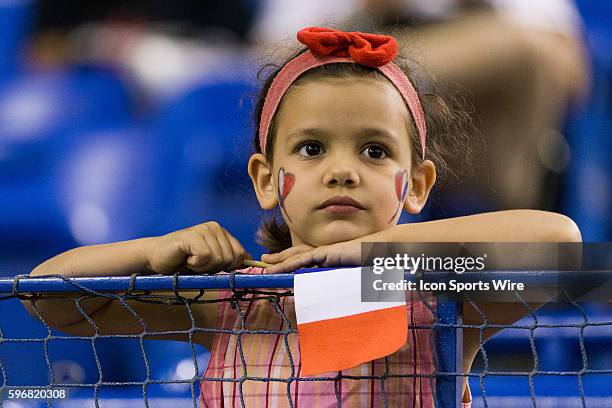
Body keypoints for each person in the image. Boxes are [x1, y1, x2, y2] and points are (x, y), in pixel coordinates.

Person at [24, 27, 581, 407]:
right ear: (266, 179)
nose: (343, 172)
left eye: (374, 151)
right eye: (312, 150)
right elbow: (46, 297)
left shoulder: (436, 296)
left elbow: (561, 242)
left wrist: (373, 256)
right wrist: (150, 252)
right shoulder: (235, 300)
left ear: (417, 186)